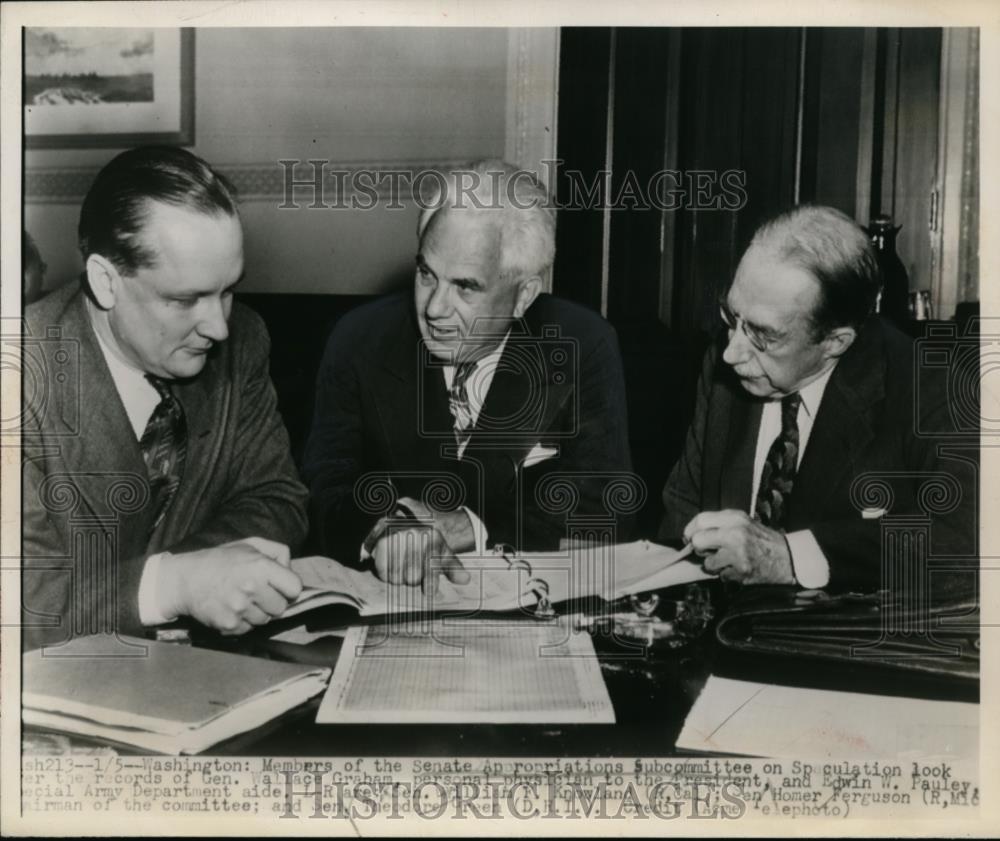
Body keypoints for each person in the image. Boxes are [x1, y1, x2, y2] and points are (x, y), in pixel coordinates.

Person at [22, 146, 308, 649]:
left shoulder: (243, 342)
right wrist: (173, 585)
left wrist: (196, 576)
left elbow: (276, 500)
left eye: (227, 290)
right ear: (105, 282)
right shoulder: (20, 381)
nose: (218, 326)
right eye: (183, 300)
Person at [303, 160, 634, 590]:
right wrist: (384, 528)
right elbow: (323, 490)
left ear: (523, 296)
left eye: (465, 286)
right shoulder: (359, 339)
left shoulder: (581, 345)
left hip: (527, 605)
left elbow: (602, 514)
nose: (434, 308)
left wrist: (468, 526)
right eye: (426, 275)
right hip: (394, 603)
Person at [659, 205, 976, 591]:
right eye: (731, 317)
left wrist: (789, 557)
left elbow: (965, 544)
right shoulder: (724, 367)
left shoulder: (932, 392)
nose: (731, 352)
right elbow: (680, 520)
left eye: (763, 335)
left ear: (835, 342)